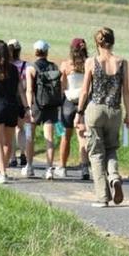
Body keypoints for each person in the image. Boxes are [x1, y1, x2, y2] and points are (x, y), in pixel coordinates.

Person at [75, 27, 129, 208]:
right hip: (114, 110)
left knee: (96, 153)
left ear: (97, 43)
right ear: (112, 41)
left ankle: (102, 197)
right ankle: (114, 177)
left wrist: (79, 113)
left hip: (95, 109)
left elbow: (85, 91)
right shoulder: (122, 62)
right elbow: (126, 91)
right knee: (112, 148)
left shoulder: (92, 62)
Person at [0, 40, 30, 184]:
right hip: (12, 107)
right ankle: (4, 168)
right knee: (8, 143)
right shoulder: (14, 69)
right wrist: (27, 108)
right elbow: (21, 91)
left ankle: (1, 172)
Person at [24, 40, 63, 179]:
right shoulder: (54, 67)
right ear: (47, 52)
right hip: (51, 106)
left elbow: (29, 90)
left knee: (30, 137)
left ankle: (29, 166)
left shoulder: (31, 68)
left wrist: (28, 108)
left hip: (36, 106)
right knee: (50, 139)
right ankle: (49, 169)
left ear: (35, 52)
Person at [59, 38, 90, 180]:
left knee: (66, 136)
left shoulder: (66, 65)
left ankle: (62, 167)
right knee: (82, 137)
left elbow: (62, 86)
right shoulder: (89, 64)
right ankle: (84, 168)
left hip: (68, 102)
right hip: (83, 103)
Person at [7, 38, 28, 168]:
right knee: (21, 129)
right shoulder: (26, 65)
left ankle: (12, 157)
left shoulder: (6, 66)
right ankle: (23, 153)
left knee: (11, 130)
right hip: (22, 99)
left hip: (10, 99)